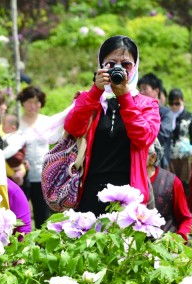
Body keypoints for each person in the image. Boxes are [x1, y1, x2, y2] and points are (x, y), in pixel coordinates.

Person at [63, 35, 160, 216]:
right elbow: (73, 128)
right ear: (101, 66)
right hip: (91, 193)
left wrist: (124, 96)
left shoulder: (147, 104)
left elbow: (144, 137)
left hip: (130, 194)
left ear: (135, 66)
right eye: (111, 64)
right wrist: (94, 92)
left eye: (126, 65)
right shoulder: (91, 99)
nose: (119, 69)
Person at [18, 85, 53, 229]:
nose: (33, 106)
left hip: (42, 175)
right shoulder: (16, 123)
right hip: (21, 175)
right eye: (29, 102)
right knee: (20, 214)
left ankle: (43, 247)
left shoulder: (47, 121)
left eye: (36, 102)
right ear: (23, 102)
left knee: (43, 216)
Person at [146, 139, 192, 241]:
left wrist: (179, 239)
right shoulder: (126, 180)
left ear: (152, 158)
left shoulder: (171, 182)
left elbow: (185, 219)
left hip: (165, 247)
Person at [138, 73, 173, 169]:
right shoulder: (136, 110)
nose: (141, 93)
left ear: (156, 90)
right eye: (140, 89)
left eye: (145, 89)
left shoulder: (166, 113)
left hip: (159, 162)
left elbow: (163, 133)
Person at [167, 88, 192, 192]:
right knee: (170, 184)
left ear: (182, 101)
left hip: (184, 156)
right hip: (169, 155)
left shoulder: (189, 117)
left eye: (177, 103)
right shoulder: (166, 116)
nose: (174, 106)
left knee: (184, 185)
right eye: (171, 103)